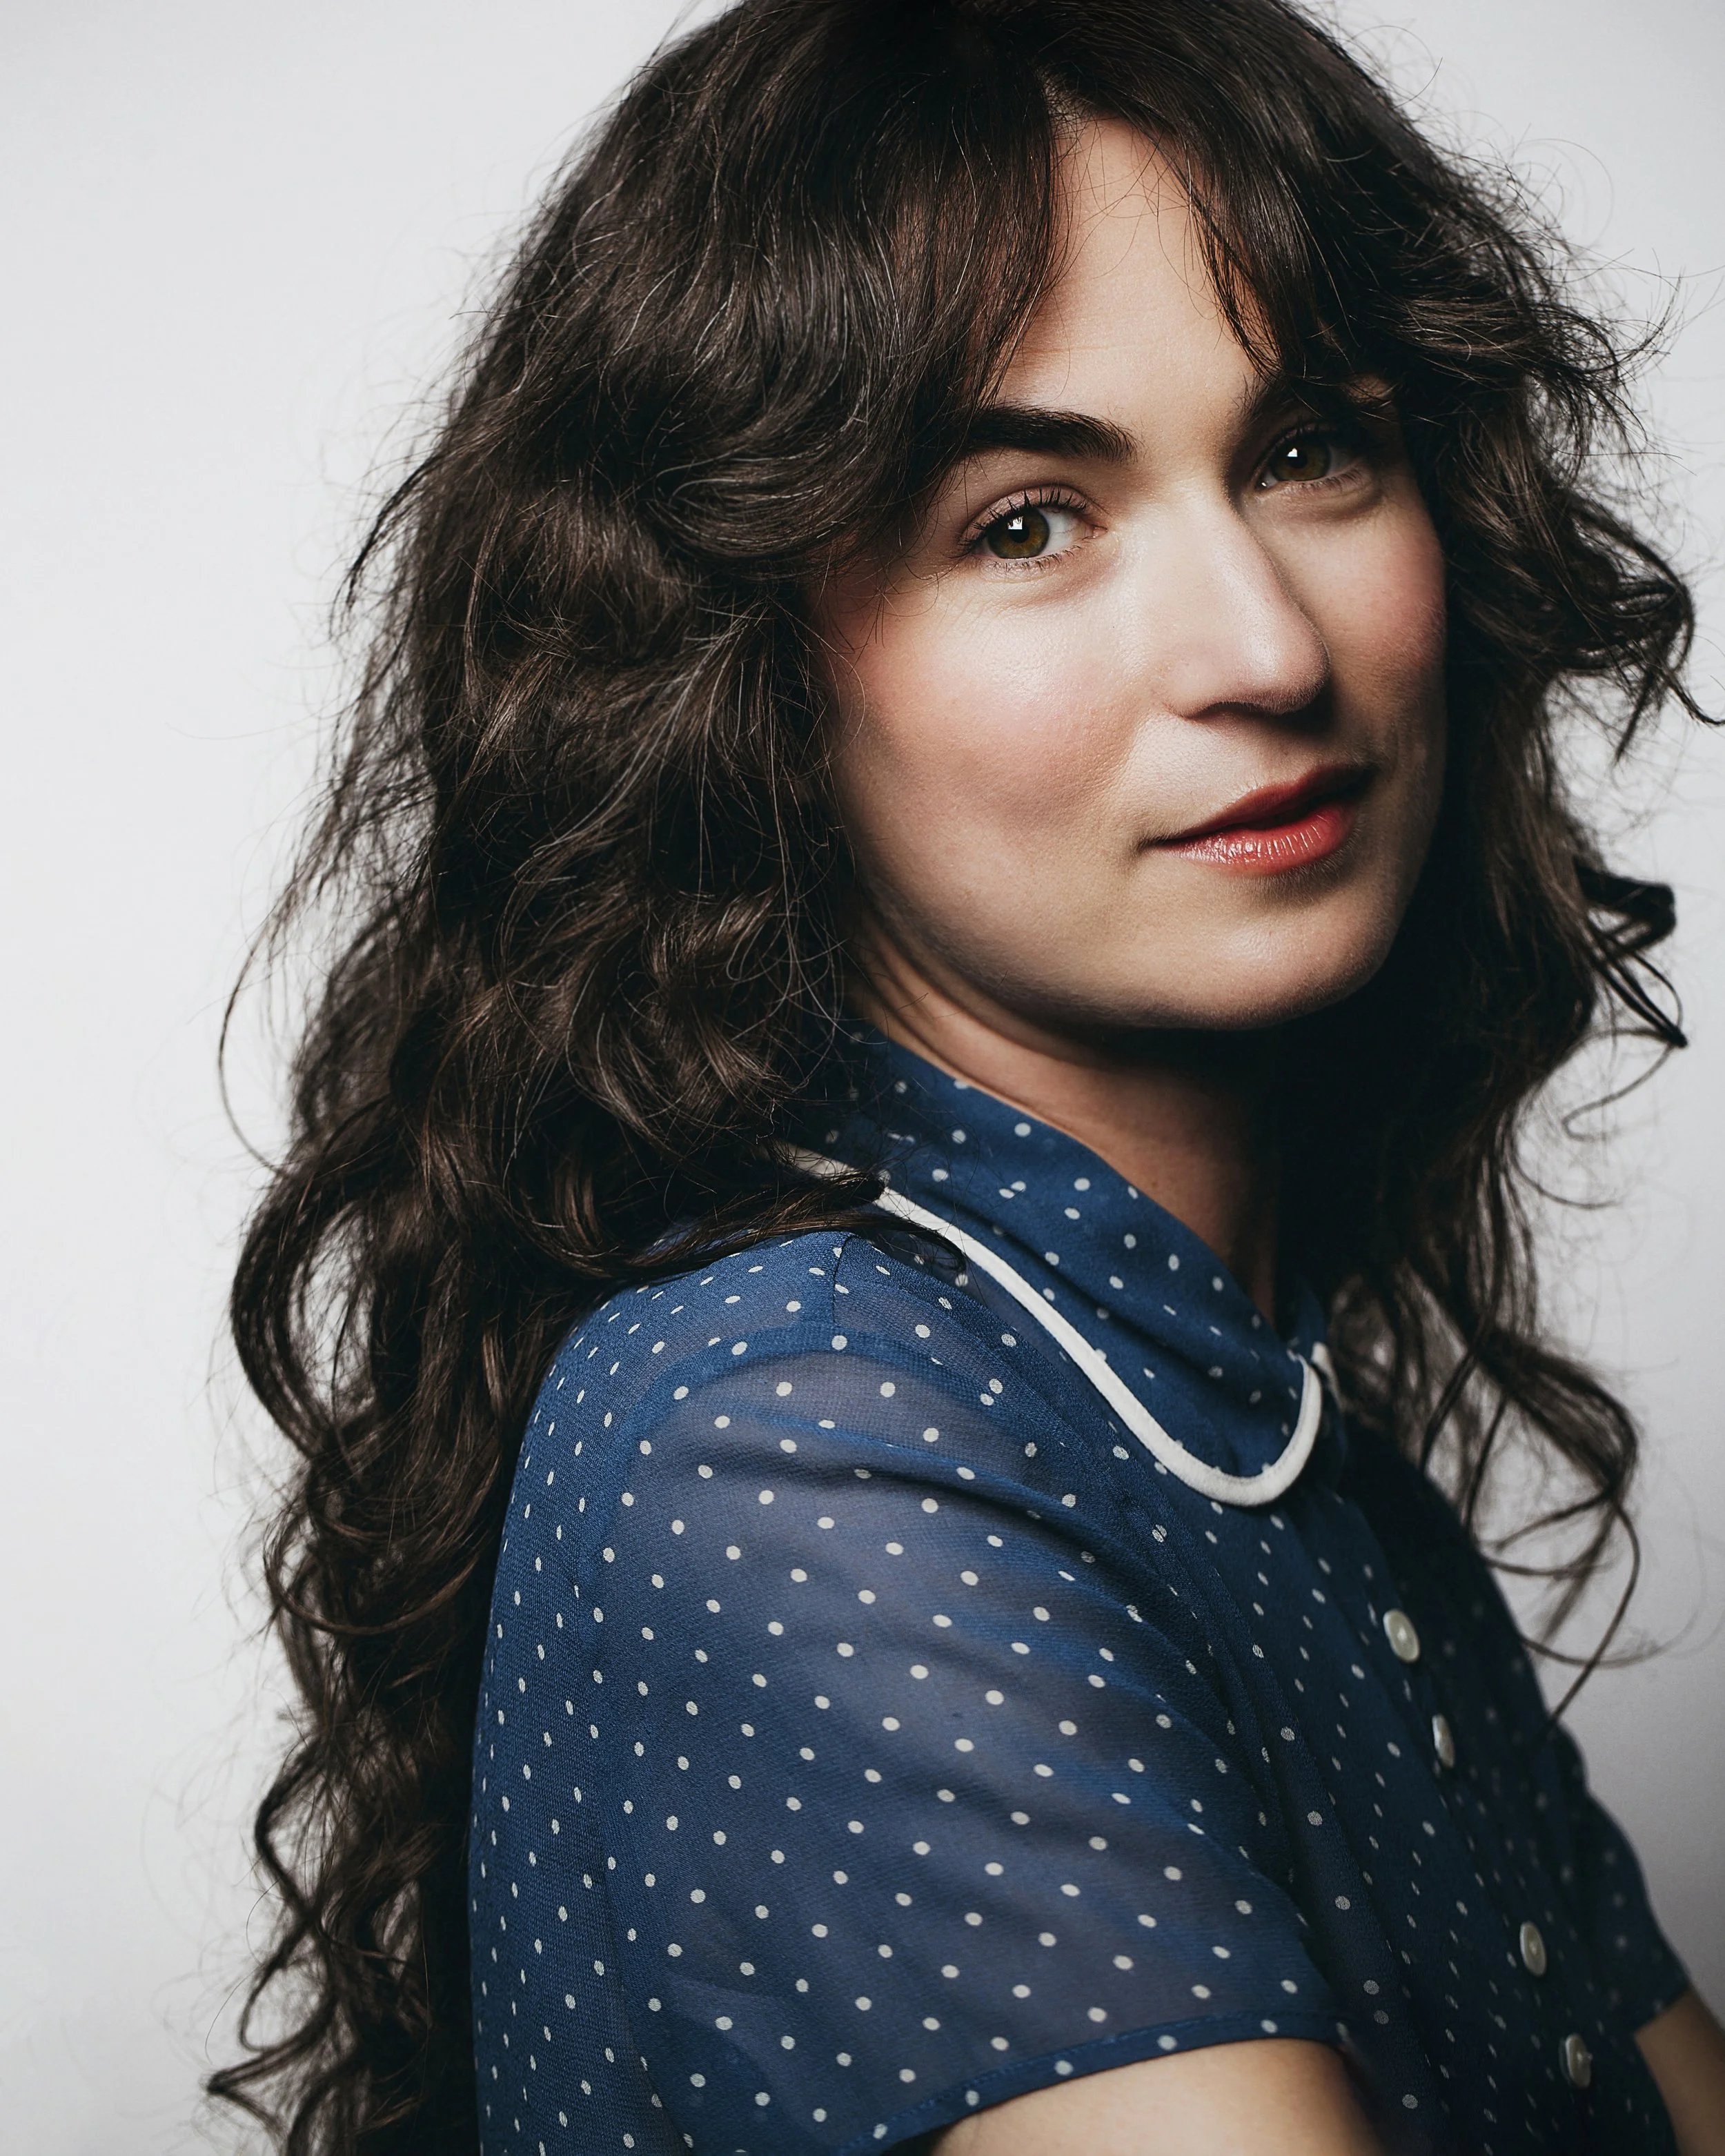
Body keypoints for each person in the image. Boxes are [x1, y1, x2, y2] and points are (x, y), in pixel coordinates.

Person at [213, 2, 1725, 2151]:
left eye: (1309, 446)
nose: (1264, 648)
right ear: (738, 674)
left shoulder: (1266, 1447)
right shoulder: (791, 1439)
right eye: (1025, 522)